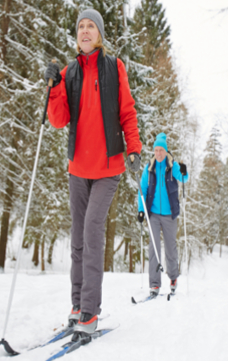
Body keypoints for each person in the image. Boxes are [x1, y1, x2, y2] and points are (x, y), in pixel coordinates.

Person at [44, 9, 142, 340]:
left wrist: (134, 148)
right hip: (78, 169)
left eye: (91, 26)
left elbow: (127, 111)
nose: (85, 31)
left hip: (108, 167)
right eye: (81, 26)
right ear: (77, 35)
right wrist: (55, 86)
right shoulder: (68, 72)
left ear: (99, 34)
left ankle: (90, 311)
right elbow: (58, 120)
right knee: (77, 239)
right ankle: (77, 305)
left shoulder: (114, 67)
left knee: (91, 231)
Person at [137, 133, 188, 297]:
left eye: (161, 150)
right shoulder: (149, 167)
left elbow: (183, 178)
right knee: (154, 248)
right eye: (156, 150)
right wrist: (141, 210)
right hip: (153, 214)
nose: (158, 153)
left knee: (170, 247)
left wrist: (184, 171)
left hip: (169, 214)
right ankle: (154, 284)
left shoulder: (172, 166)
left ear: (166, 151)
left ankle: (173, 278)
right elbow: (142, 190)